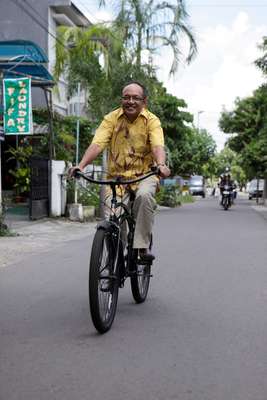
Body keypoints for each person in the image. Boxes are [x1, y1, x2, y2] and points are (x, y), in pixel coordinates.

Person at [70, 81, 170, 261]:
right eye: (126, 97)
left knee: (145, 197)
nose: (130, 101)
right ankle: (113, 262)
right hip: (116, 178)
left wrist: (161, 165)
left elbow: (157, 146)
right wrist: (81, 165)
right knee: (112, 219)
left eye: (135, 98)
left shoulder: (152, 121)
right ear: (122, 99)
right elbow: (98, 143)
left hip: (145, 175)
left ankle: (141, 248)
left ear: (144, 101)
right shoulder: (111, 119)